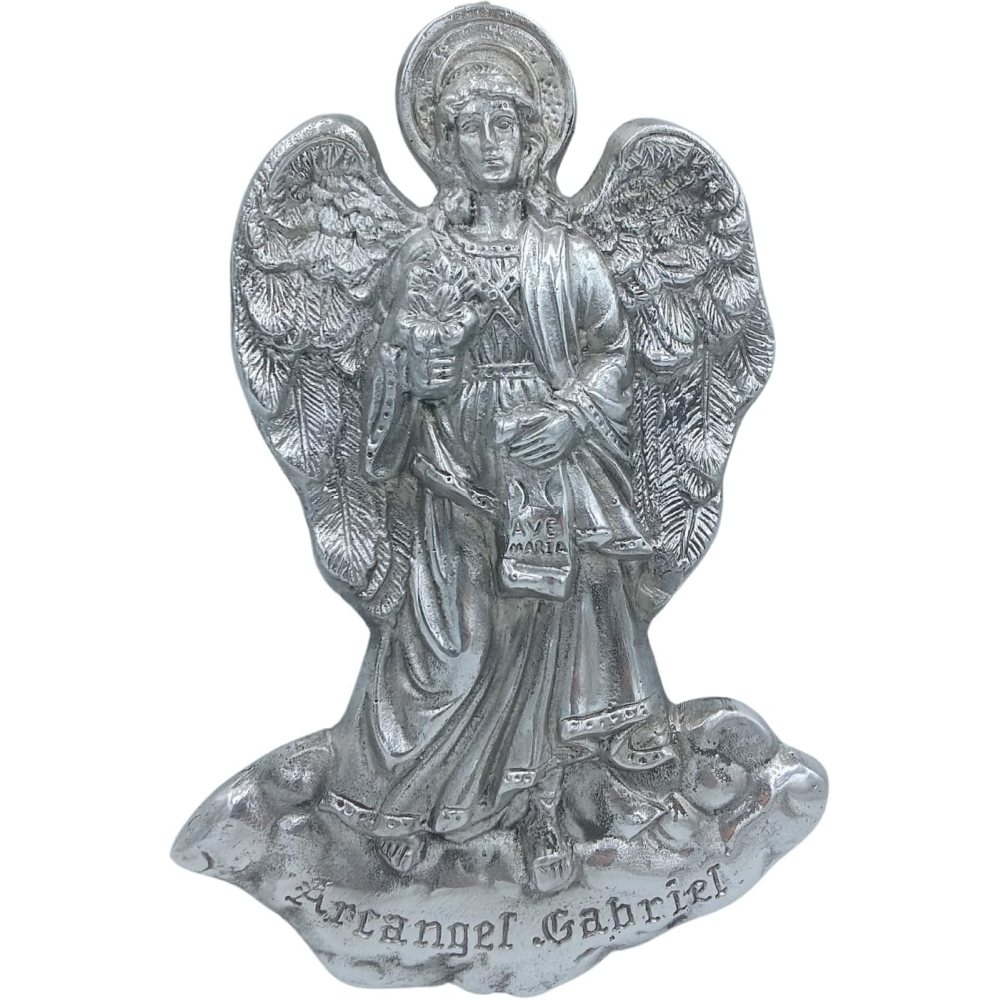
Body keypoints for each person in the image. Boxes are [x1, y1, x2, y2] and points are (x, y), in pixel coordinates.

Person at [324, 58, 668, 891]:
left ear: (530, 139)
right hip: (450, 470)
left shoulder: (566, 253)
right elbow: (382, 365)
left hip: (540, 466)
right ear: (446, 147)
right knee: (451, 648)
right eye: (472, 128)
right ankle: (404, 807)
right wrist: (418, 377)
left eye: (504, 124)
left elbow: (614, 349)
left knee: (540, 637)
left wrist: (571, 414)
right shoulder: (422, 257)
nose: (490, 143)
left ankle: (538, 810)